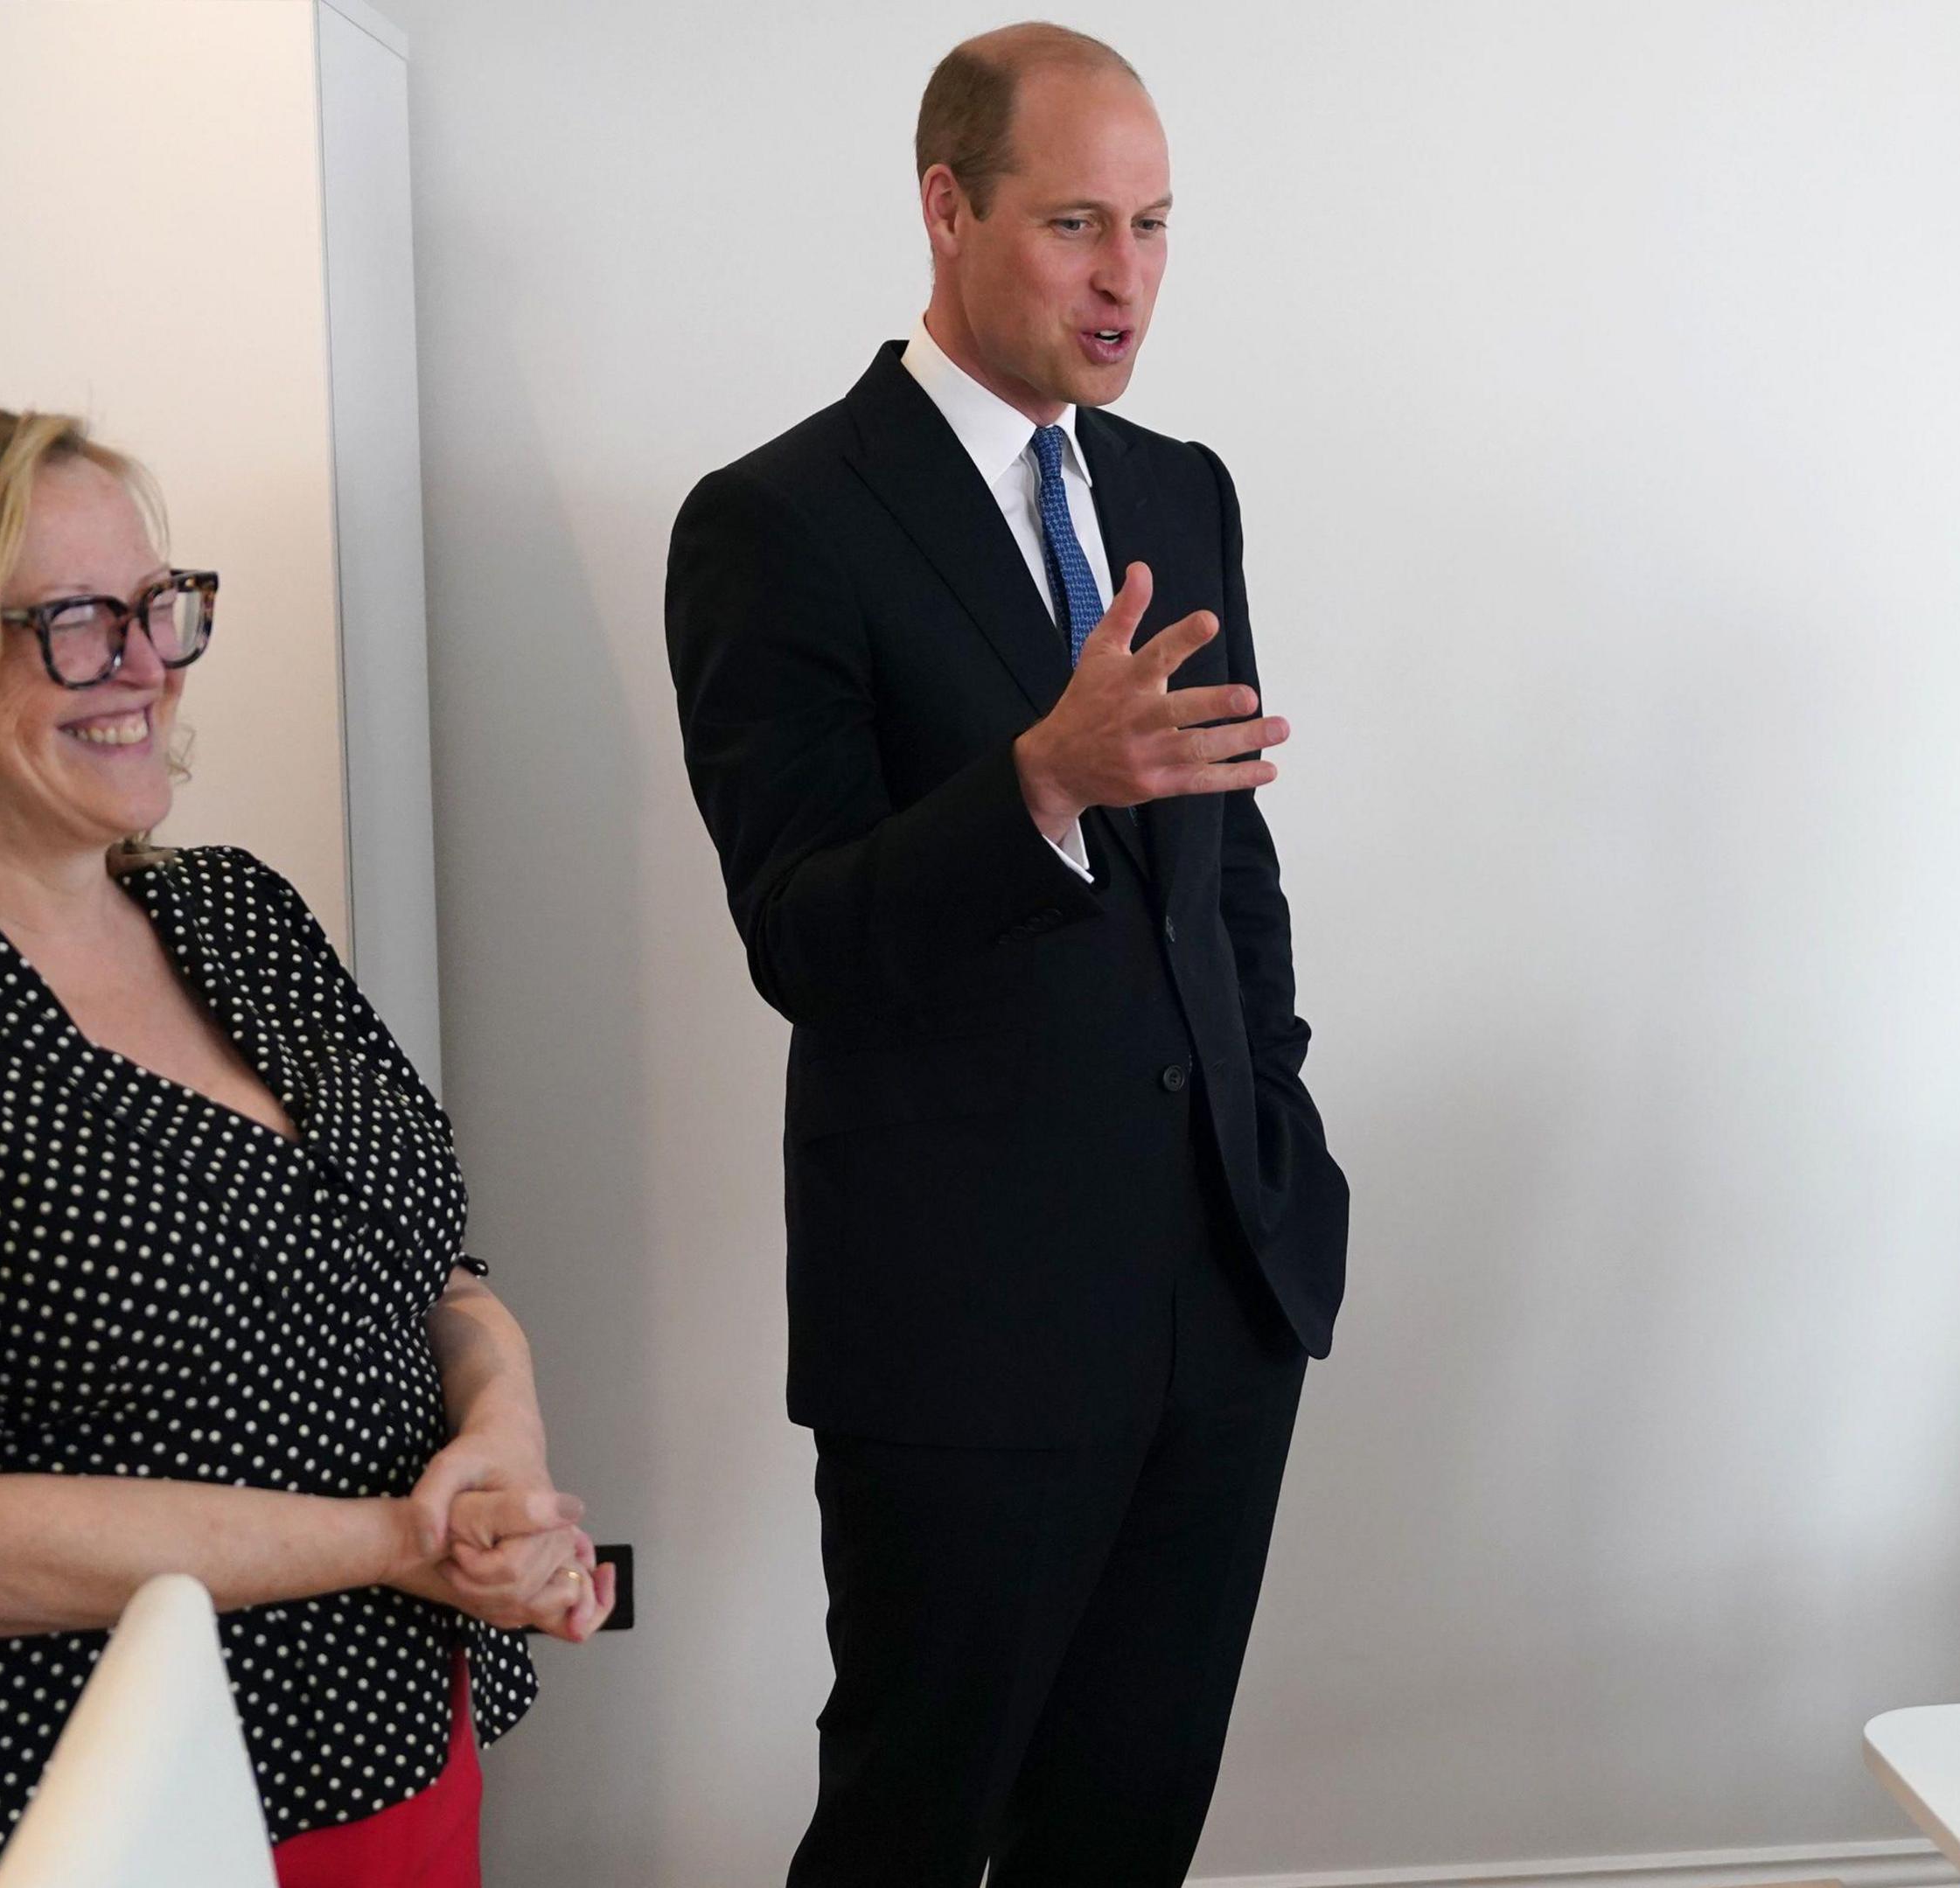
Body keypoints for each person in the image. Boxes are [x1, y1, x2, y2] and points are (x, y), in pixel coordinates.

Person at [0, 405, 617, 1887]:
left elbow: (433, 1270)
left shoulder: (237, 912)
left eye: (160, 608)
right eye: (71, 623)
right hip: (17, 1822)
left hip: (376, 1754)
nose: (149, 664)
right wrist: (392, 1540)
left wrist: (504, 1447)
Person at [662, 23, 1344, 1885]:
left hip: (1220, 1290)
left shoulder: (1179, 485)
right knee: (912, 1827)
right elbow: (798, 928)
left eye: (1153, 225)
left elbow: (1229, 867)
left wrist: (1274, 1135)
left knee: (1123, 1837)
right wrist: (1036, 782)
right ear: (946, 208)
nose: (1124, 275)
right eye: (1073, 224)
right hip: (964, 1330)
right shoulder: (777, 520)